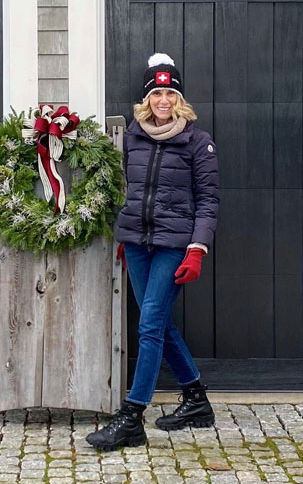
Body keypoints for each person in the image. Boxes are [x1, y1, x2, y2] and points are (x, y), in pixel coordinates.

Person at [86, 53, 219, 451]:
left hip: (174, 245)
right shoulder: (132, 137)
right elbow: (126, 190)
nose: (164, 101)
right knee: (157, 322)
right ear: (147, 99)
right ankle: (196, 400)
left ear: (180, 99)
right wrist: (127, 238)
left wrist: (197, 249)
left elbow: (209, 200)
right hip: (138, 244)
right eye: (158, 93)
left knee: (148, 326)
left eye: (171, 93)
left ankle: (131, 417)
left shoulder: (198, 142)